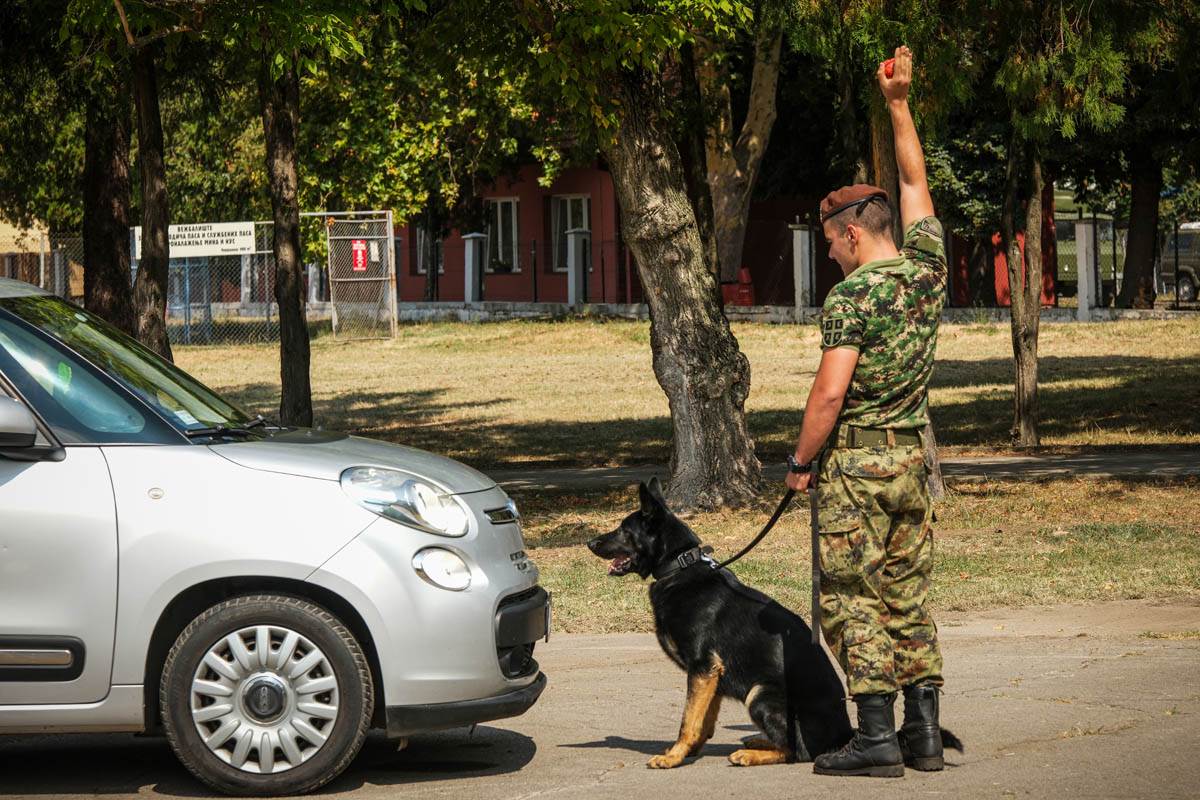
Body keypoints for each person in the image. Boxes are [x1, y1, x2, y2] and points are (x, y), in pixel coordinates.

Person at [783, 45, 948, 778]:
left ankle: (875, 737)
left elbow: (828, 393)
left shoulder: (852, 298)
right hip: (915, 458)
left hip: (856, 464)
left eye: (830, 242)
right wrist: (899, 102)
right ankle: (925, 735)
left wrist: (799, 463)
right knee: (907, 591)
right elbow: (914, 178)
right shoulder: (927, 270)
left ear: (851, 233)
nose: (831, 256)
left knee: (851, 594)